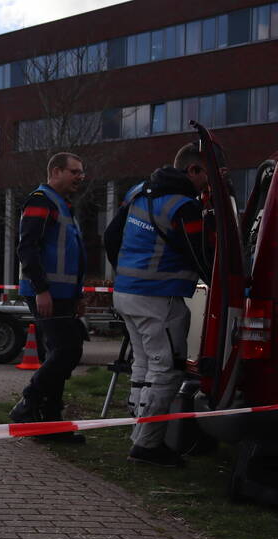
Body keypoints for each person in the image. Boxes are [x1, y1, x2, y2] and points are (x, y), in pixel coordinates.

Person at [104, 143, 212, 467]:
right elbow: (202, 255)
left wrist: (125, 275)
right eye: (208, 176)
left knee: (143, 364)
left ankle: (138, 433)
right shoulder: (184, 207)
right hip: (158, 299)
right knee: (166, 368)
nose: (210, 184)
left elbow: (111, 236)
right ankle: (148, 446)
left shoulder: (139, 190)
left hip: (127, 293)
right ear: (193, 170)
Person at [10, 152, 88, 444]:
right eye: (75, 171)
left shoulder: (64, 206)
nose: (81, 177)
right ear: (56, 171)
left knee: (60, 352)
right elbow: (27, 249)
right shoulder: (41, 201)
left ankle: (49, 425)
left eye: (81, 172)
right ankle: (29, 401)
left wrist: (78, 294)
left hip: (63, 295)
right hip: (47, 294)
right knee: (68, 351)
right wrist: (42, 289)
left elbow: (71, 256)